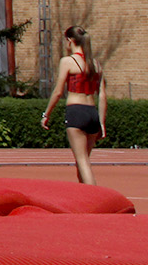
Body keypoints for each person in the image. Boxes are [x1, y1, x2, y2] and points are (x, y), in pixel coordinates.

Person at [41, 25, 108, 184]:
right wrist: (102, 123)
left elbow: (58, 92)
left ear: (70, 40)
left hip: (76, 111)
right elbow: (102, 95)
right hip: (92, 113)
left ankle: (94, 195)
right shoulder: (95, 64)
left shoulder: (68, 61)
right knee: (82, 163)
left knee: (83, 162)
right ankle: (85, 195)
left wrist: (46, 114)